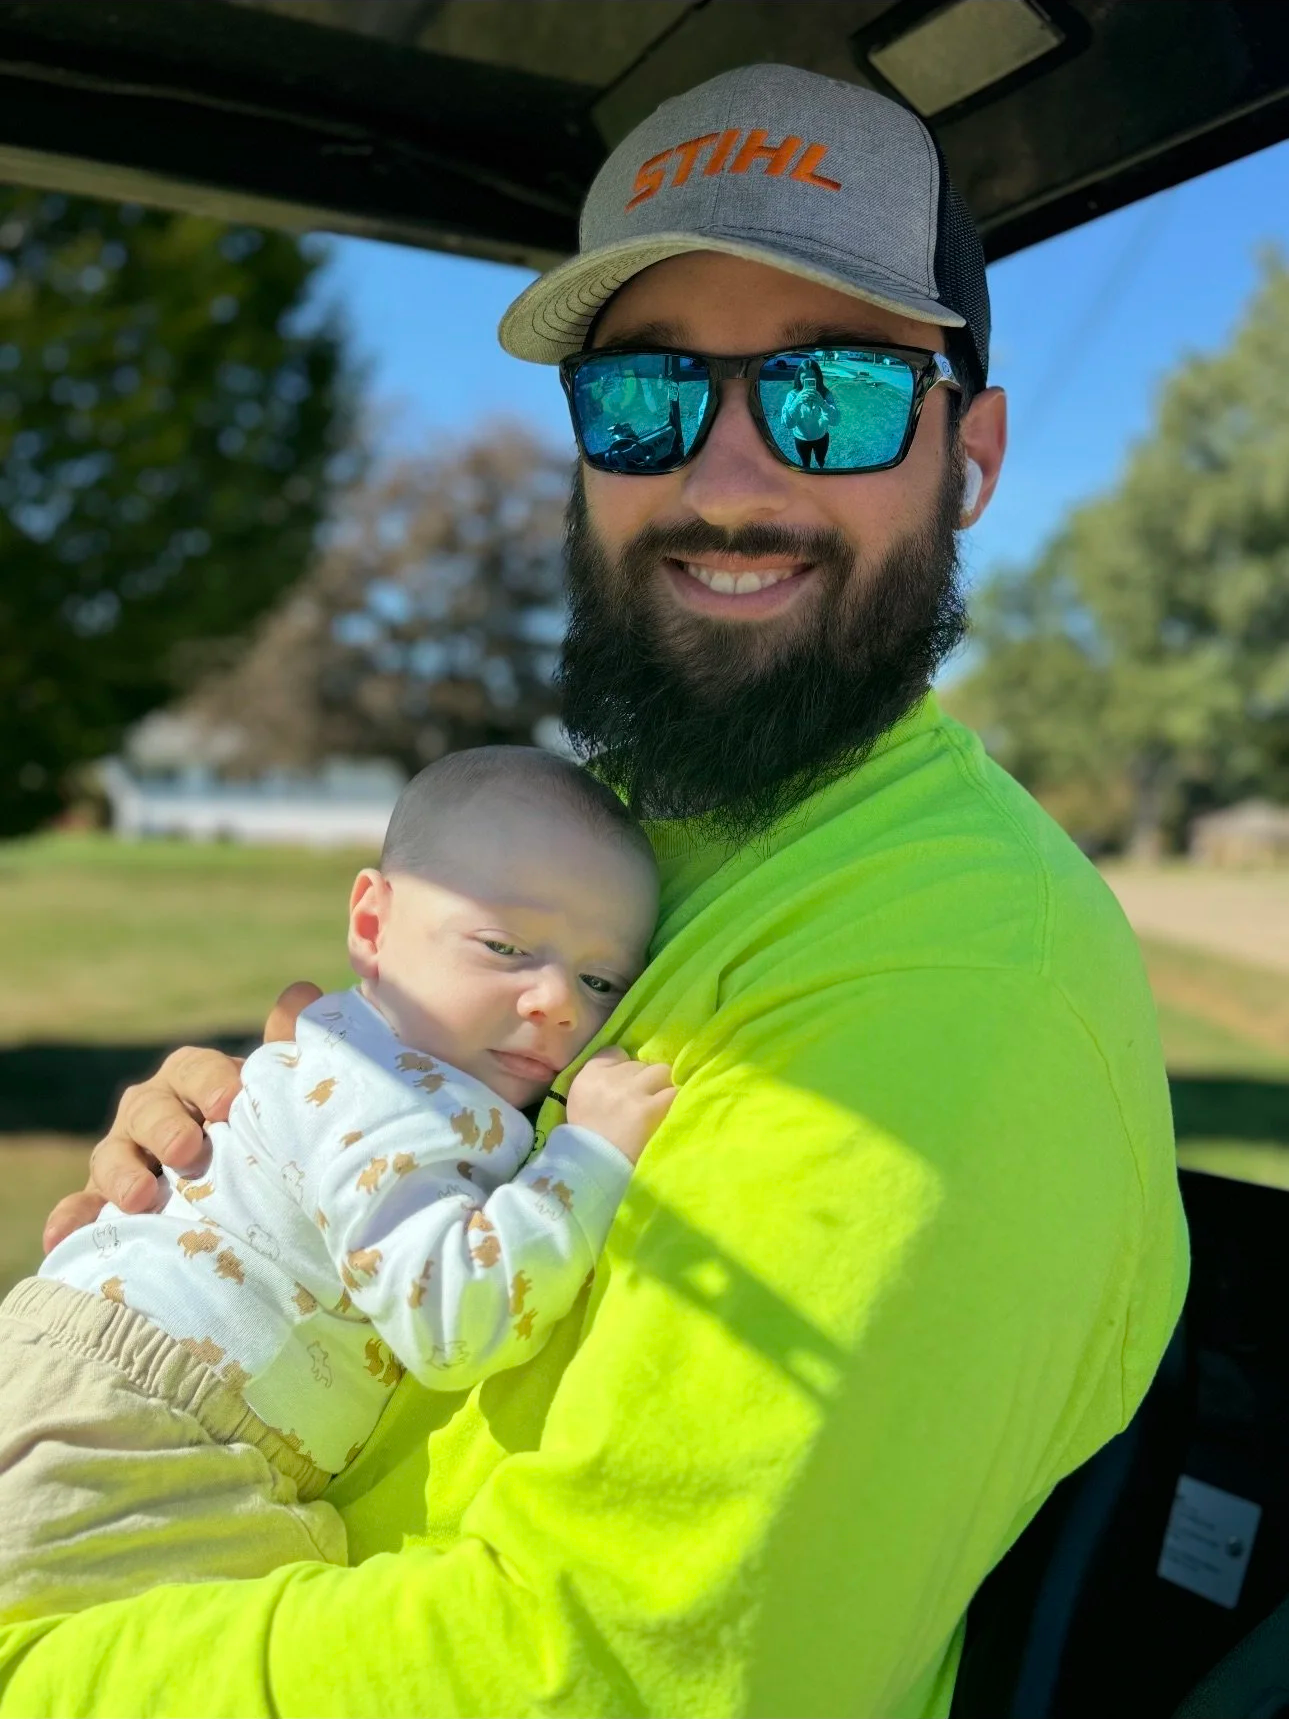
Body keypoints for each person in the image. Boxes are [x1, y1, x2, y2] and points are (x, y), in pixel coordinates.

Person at [6, 63, 1187, 1719]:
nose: (721, 479)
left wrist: (39, 1668)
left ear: (969, 453)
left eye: (831, 395)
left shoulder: (958, 983)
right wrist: (247, 1167)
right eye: (644, 394)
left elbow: (610, 1673)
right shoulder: (619, 838)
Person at [0, 747, 671, 1622]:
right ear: (370, 923)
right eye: (504, 944)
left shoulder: (336, 1048)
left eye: (599, 979)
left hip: (104, 1377)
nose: (556, 1001)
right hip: (154, 1426)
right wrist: (587, 1156)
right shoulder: (403, 1100)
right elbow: (450, 1320)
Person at [779, 357, 839, 466]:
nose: (809, 381)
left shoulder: (825, 394)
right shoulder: (792, 395)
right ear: (799, 379)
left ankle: (821, 470)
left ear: (818, 378)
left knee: (820, 460)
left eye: (813, 377)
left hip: (821, 437)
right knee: (805, 463)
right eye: (805, 378)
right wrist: (796, 403)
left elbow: (835, 421)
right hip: (801, 439)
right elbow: (788, 424)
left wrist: (823, 403)